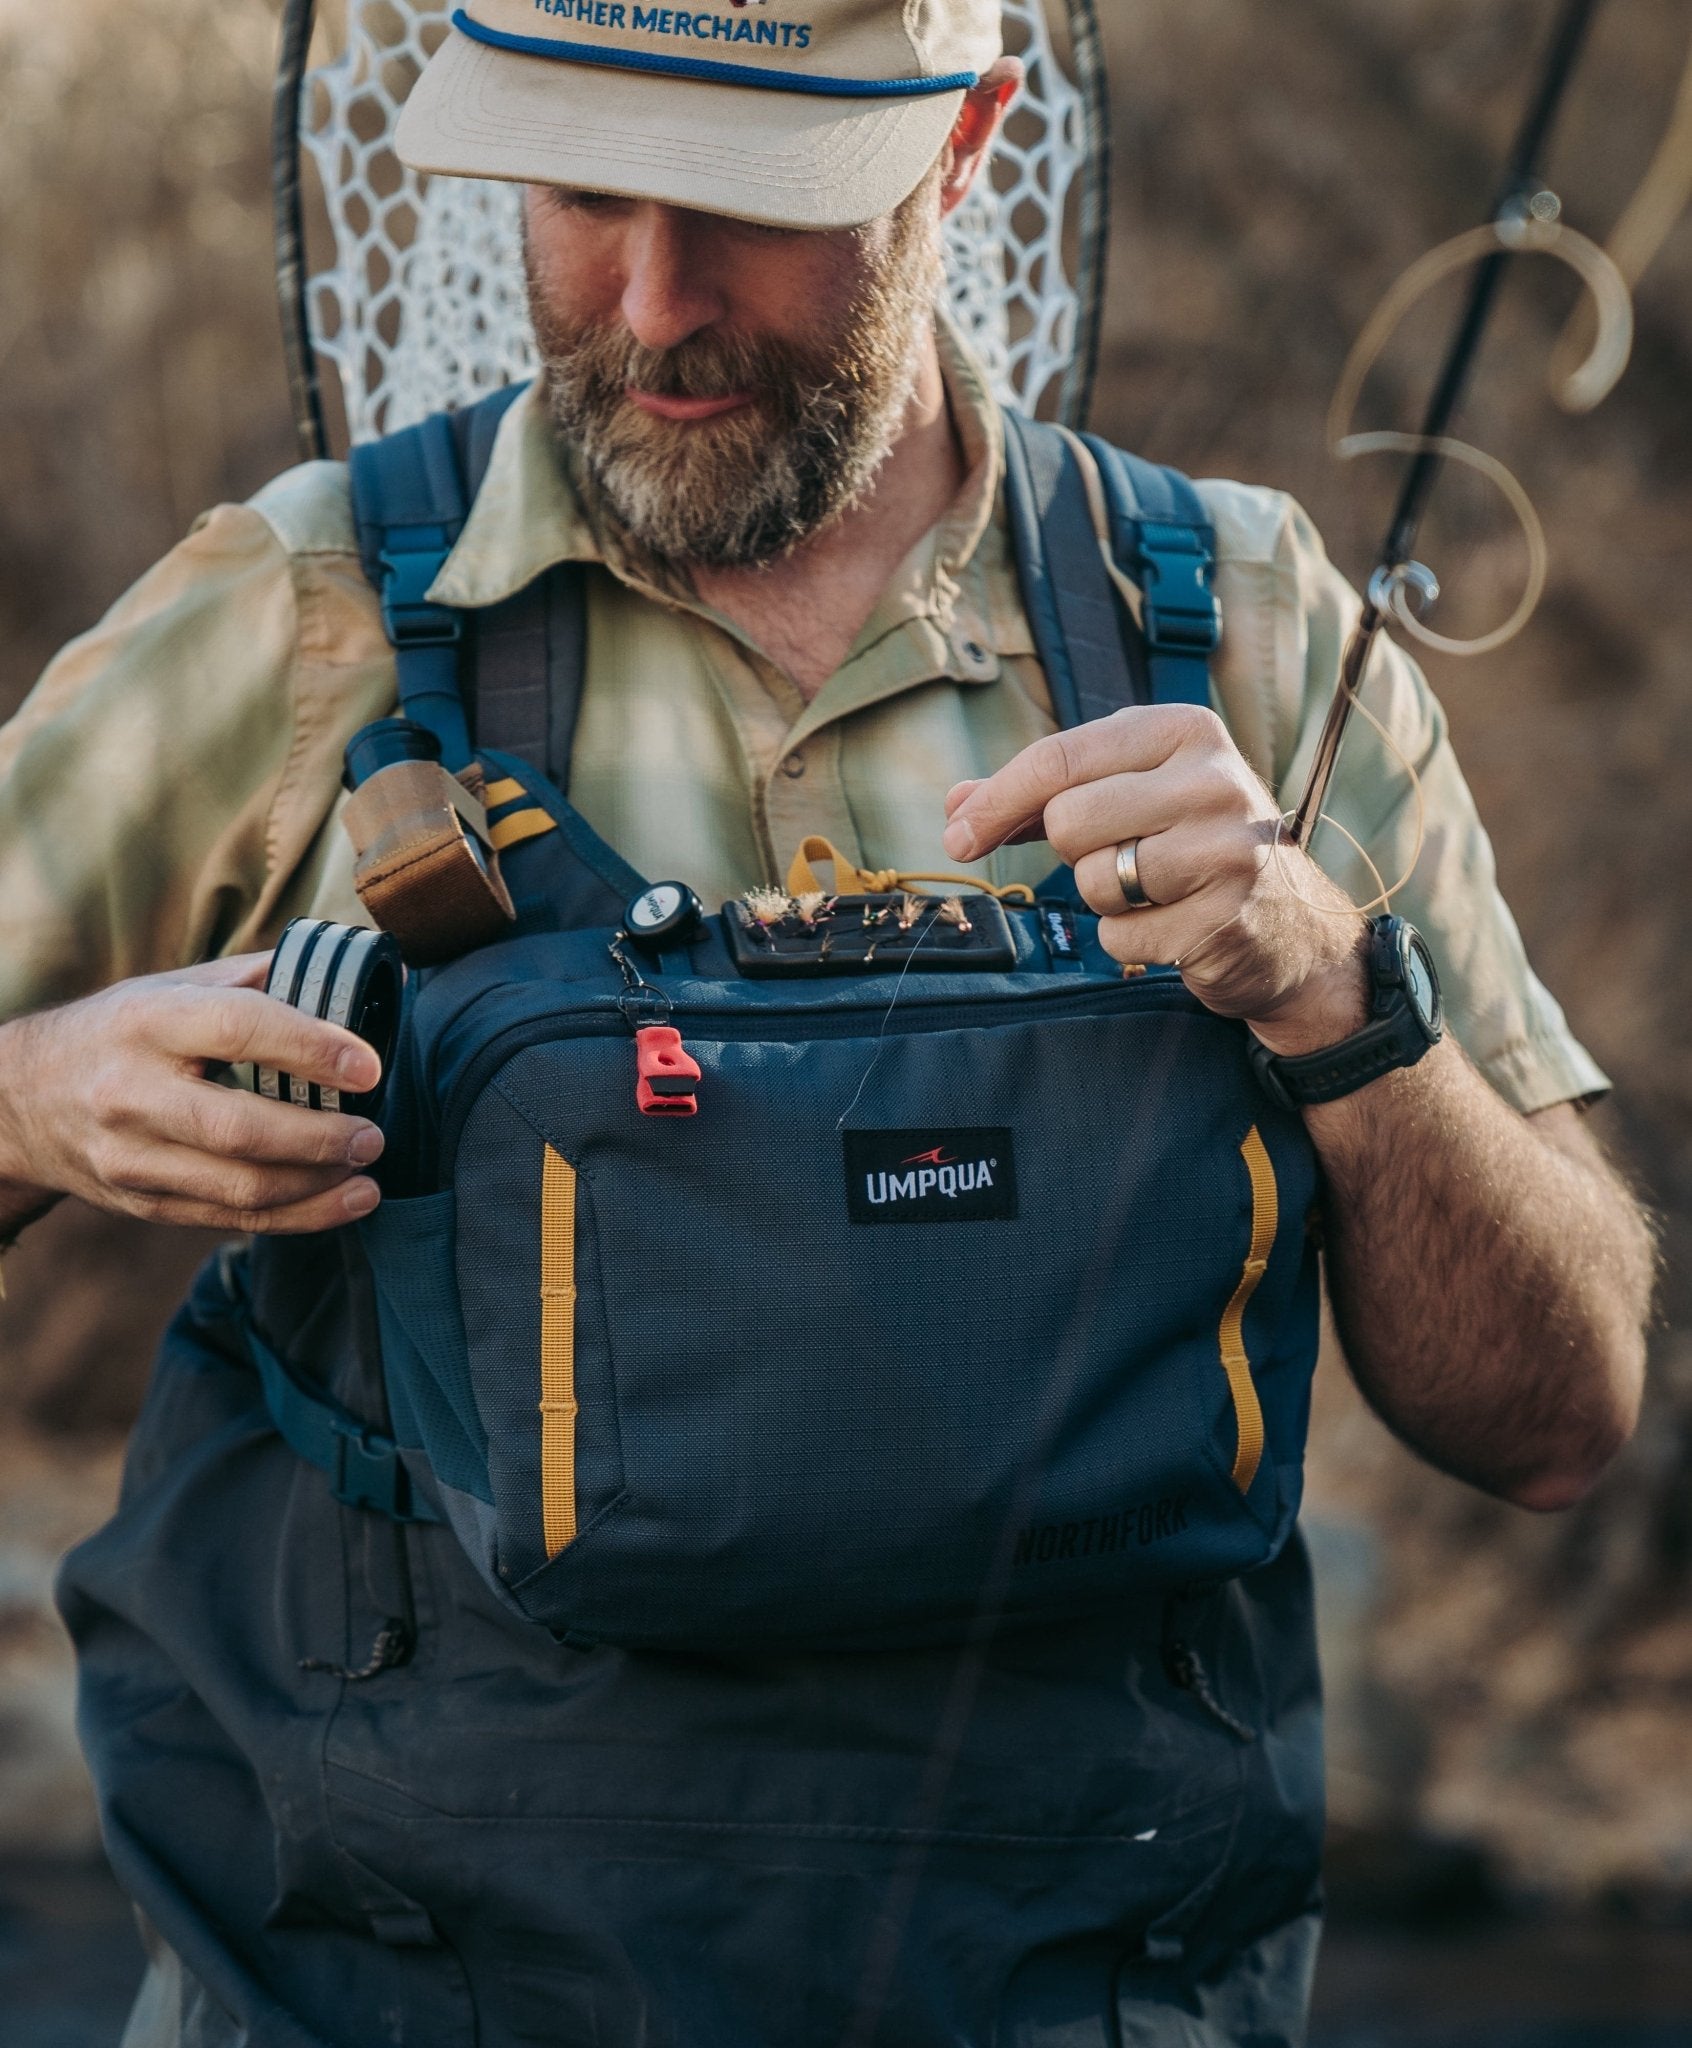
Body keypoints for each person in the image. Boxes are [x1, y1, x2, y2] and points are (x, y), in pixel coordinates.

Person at [0, 2, 1655, 2042]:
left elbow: (1565, 1414)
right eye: (587, 190)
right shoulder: (294, 611)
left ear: (965, 144)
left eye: (750, 207)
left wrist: (1332, 991)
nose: (656, 301)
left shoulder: (1254, 628)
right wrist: (25, 1099)